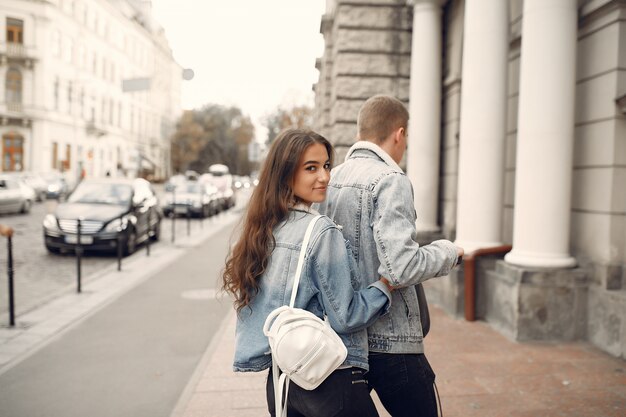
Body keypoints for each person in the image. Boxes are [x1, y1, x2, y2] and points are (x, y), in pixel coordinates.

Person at [222, 128, 394, 417]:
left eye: (326, 165)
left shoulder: (264, 229)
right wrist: (385, 287)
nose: (325, 176)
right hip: (329, 379)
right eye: (311, 168)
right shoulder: (321, 232)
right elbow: (346, 316)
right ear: (286, 173)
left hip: (283, 381)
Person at [316, 95, 464, 417]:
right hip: (393, 342)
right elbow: (401, 268)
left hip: (343, 342)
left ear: (360, 131)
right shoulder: (390, 180)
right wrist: (449, 251)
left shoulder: (329, 180)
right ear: (399, 134)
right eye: (406, 139)